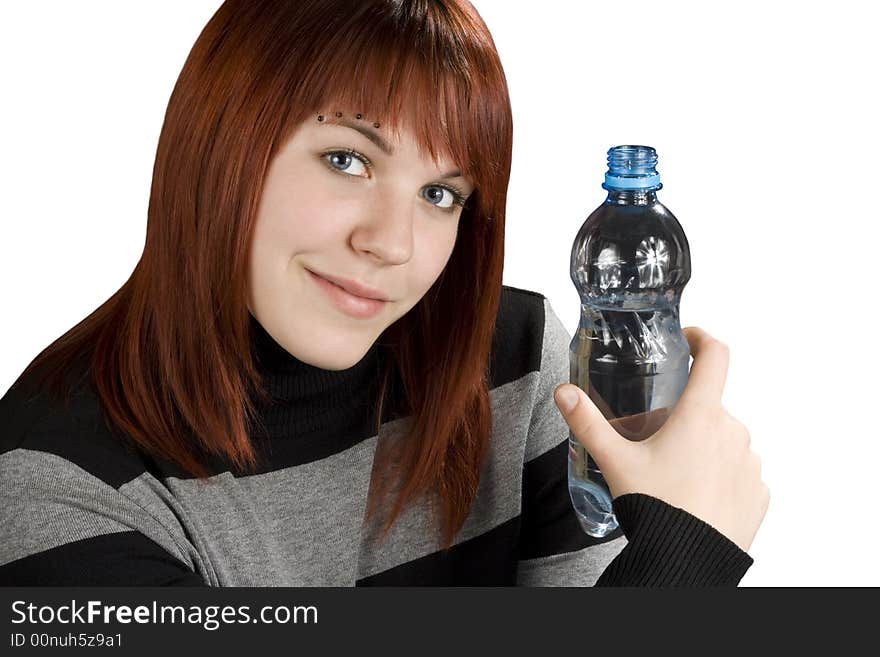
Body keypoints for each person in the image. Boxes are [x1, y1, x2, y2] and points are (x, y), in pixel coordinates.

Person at [0, 0, 767, 586]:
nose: (392, 243)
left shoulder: (516, 364)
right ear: (218, 145)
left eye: (440, 193)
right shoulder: (57, 488)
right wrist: (682, 563)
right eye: (346, 158)